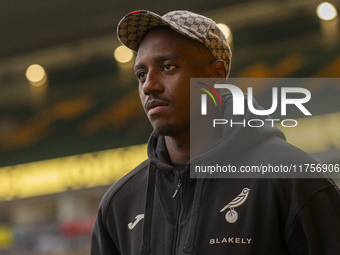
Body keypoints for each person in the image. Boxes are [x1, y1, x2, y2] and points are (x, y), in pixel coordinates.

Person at [91, 10, 340, 255]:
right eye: (141, 74)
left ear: (215, 76)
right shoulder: (119, 204)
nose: (149, 86)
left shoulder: (291, 177)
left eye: (168, 66)